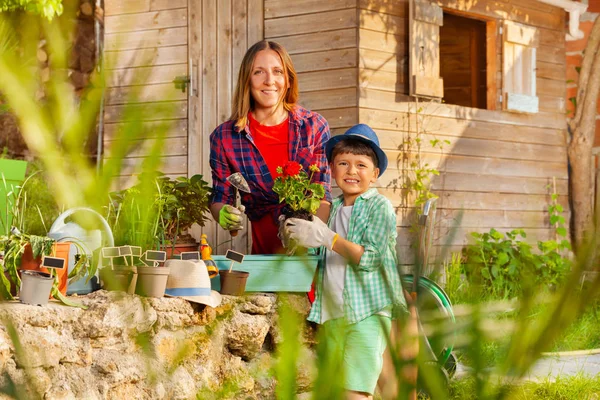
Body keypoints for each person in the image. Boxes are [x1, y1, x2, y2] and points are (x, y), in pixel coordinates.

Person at [283, 124, 407, 399]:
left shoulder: (379, 207)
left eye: (361, 165)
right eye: (343, 163)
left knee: (356, 391)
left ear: (375, 174)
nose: (352, 171)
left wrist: (328, 238)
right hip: (335, 313)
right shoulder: (335, 207)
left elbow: (371, 258)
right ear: (331, 169)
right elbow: (322, 250)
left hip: (367, 313)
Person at [209, 40, 332, 254]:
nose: (269, 81)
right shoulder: (225, 138)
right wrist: (224, 214)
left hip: (309, 253)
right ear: (247, 79)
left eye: (277, 71)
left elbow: (322, 195)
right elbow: (221, 197)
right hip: (263, 255)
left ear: (289, 79)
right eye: (258, 72)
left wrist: (311, 237)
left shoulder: (313, 126)